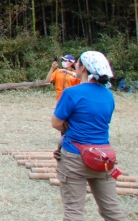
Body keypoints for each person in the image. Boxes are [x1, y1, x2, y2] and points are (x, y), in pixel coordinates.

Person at [52, 51, 126, 221]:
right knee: (112, 211)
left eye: (77, 63)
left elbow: (56, 123)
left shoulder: (72, 93)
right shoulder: (108, 95)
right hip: (104, 158)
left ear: (83, 68)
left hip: (74, 156)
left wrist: (68, 127)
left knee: (74, 212)